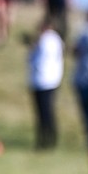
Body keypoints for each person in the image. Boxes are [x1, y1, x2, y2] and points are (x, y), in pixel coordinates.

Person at [26, 18, 64, 150]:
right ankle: (45, 140)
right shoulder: (54, 40)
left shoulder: (47, 40)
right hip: (48, 80)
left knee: (45, 113)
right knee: (44, 113)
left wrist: (33, 46)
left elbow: (36, 59)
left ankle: (47, 140)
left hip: (44, 80)